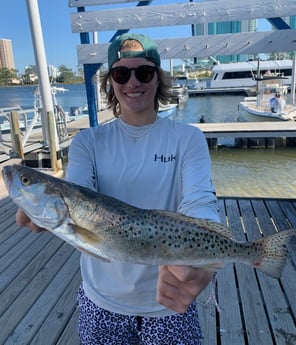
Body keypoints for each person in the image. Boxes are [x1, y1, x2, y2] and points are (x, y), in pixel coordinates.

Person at [16, 33, 220, 345]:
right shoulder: (87, 142)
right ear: (110, 81)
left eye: (144, 72)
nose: (132, 82)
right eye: (121, 73)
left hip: (168, 303)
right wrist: (43, 208)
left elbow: (199, 200)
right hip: (102, 302)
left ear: (158, 78)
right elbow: (77, 192)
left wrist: (206, 249)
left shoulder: (187, 138)